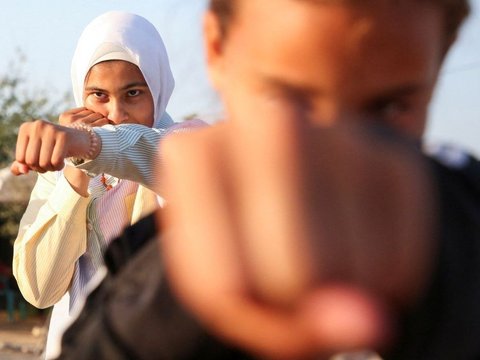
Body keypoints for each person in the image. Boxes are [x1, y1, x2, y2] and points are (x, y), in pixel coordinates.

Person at [39, 0, 480, 359]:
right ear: (217, 50)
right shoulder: (146, 286)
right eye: (288, 101)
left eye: (388, 109)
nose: (335, 158)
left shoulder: (457, 229)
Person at [11, 11, 193, 360]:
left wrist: (90, 146)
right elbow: (40, 289)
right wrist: (76, 174)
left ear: (158, 88)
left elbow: (152, 154)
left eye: (133, 93)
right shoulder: (62, 167)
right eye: (98, 95)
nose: (116, 113)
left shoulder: (186, 146)